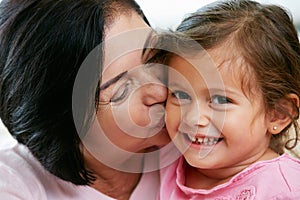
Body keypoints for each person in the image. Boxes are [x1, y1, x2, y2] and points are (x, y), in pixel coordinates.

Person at [0, 0, 174, 199]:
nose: (161, 91)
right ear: (62, 124)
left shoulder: (200, 141)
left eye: (154, 59)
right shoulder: (12, 185)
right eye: (122, 91)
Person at [147, 0, 300, 199]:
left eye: (220, 100)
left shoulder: (284, 190)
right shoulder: (165, 158)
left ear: (277, 114)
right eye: (181, 95)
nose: (193, 118)